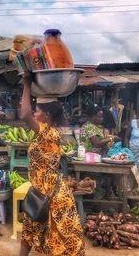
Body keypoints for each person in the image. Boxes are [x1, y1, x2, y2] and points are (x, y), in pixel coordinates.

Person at [19, 73, 85, 256]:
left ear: (46, 115)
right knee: (30, 231)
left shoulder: (48, 133)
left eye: (37, 111)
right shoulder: (46, 133)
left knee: (64, 241)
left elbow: (24, 113)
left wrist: (27, 84)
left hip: (51, 195)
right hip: (42, 190)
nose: (34, 113)